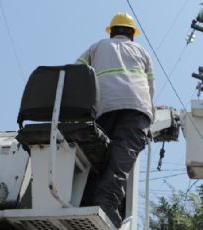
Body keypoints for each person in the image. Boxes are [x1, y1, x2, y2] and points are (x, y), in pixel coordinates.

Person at [77, 12, 154, 228]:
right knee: (122, 157)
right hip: (137, 108)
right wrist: (150, 119)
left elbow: (76, 70)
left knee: (99, 156)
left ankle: (87, 201)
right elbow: (150, 88)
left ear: (111, 32)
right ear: (132, 34)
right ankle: (107, 203)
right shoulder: (142, 52)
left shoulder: (97, 46)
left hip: (104, 107)